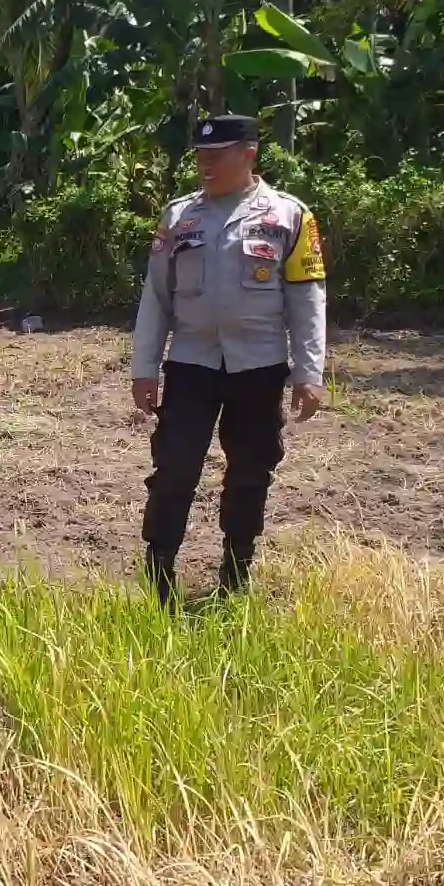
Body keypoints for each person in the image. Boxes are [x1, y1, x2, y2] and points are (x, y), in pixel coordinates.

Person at [130, 115, 328, 605]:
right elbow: (155, 297)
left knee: (250, 471)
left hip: (259, 367)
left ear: (249, 153)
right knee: (175, 468)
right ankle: (160, 571)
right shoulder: (179, 217)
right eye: (200, 156)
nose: (206, 165)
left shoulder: (290, 217)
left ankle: (236, 570)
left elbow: (308, 297)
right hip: (192, 363)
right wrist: (144, 366)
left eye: (217, 155)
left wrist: (309, 372)